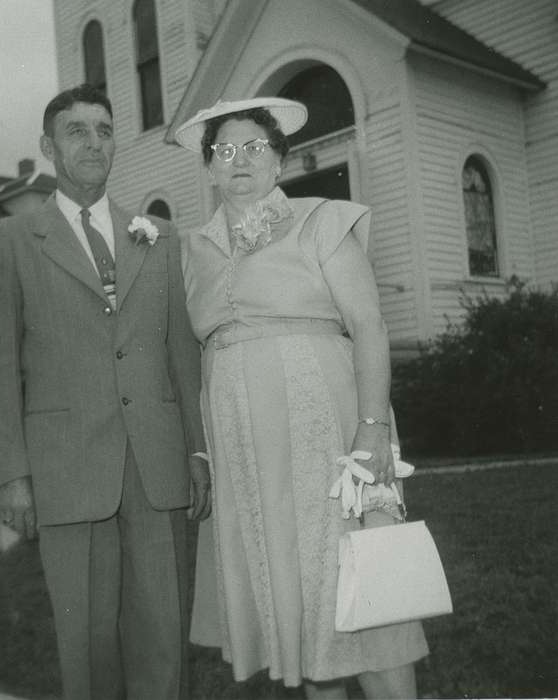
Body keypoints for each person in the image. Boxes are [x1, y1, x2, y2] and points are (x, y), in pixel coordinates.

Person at [174, 97, 429, 699]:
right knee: (300, 600)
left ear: (280, 162)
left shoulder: (321, 220)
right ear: (209, 167)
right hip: (248, 447)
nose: (239, 160)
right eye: (225, 150)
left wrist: (372, 433)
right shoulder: (193, 250)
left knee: (361, 582)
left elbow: (369, 325)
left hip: (329, 428)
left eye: (255, 147)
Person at [0, 83, 210, 700]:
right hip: (65, 470)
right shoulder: (7, 243)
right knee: (88, 643)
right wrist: (10, 476)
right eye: (77, 131)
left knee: (163, 634)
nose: (94, 142)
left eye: (104, 130)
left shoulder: (156, 236)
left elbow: (181, 353)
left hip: (155, 467)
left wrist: (198, 448)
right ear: (49, 146)